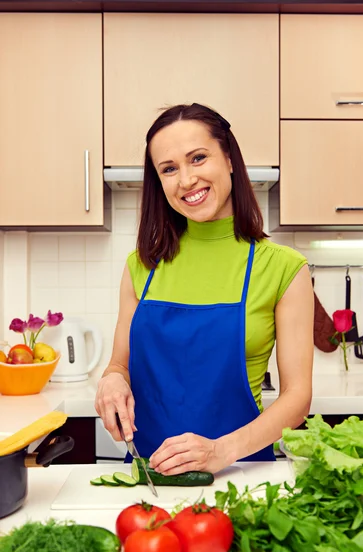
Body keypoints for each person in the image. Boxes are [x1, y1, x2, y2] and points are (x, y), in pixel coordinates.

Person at [95, 102, 314, 476]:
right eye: (169, 169)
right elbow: (120, 363)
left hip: (242, 474)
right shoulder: (141, 266)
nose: (186, 180)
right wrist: (111, 380)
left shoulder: (283, 268)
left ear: (228, 158)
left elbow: (297, 398)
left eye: (198, 158)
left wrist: (220, 451)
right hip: (150, 477)